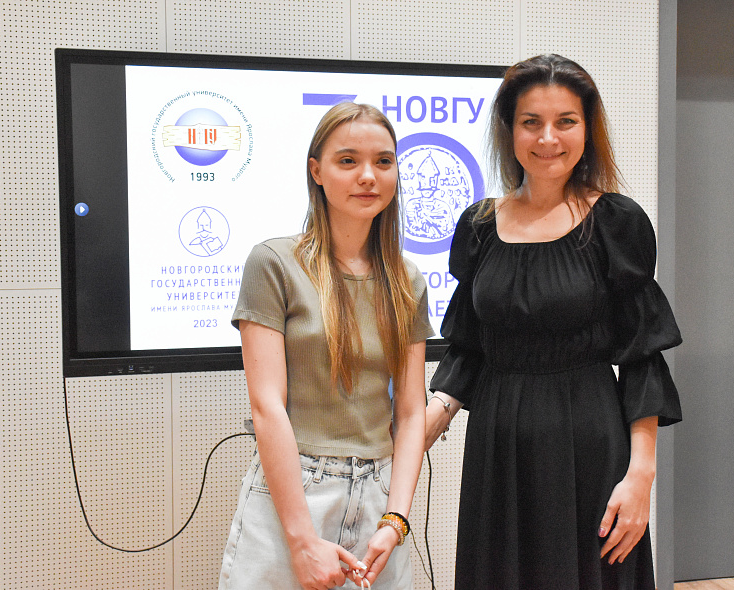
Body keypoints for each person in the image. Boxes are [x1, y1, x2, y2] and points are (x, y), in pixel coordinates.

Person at [425, 54, 682, 590]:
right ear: (509, 129)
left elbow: (642, 358)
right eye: (531, 122)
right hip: (496, 448)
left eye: (565, 121)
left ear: (587, 129)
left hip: (589, 444)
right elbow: (469, 348)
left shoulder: (616, 222)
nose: (548, 138)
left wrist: (640, 477)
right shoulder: (478, 226)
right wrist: (422, 427)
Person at [218, 102, 434, 590]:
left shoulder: (408, 281)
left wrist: (396, 520)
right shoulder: (274, 263)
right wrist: (301, 541)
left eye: (383, 161)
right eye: (348, 160)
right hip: (296, 494)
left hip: (381, 500)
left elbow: (410, 412)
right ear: (316, 171)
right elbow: (267, 406)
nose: (368, 176)